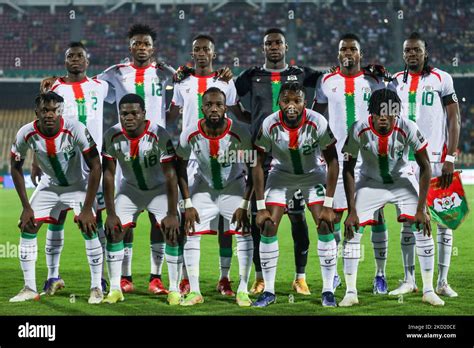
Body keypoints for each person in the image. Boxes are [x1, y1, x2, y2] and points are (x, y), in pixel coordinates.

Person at [235, 28, 324, 295]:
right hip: (260, 155)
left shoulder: (303, 74)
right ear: (263, 48)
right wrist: (250, 121)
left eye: (278, 43)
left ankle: (300, 276)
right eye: (269, 43)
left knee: (297, 218)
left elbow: (330, 85)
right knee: (258, 218)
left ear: (286, 47)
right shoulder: (251, 75)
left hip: (293, 157)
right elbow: (228, 99)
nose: (274, 47)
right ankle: (261, 278)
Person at [340, 88, 444, 306]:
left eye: (391, 112)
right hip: (369, 182)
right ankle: (350, 292)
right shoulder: (359, 128)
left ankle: (428, 289)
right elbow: (348, 169)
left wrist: (421, 208)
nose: (385, 117)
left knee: (422, 225)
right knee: (352, 229)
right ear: (372, 113)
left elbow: (425, 167)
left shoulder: (408, 127)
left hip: (401, 181)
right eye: (380, 113)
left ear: (397, 112)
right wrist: (351, 210)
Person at [97, 24, 176, 295]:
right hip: (126, 158)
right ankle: (124, 277)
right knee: (123, 222)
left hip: (155, 148)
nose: (141, 47)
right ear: (130, 47)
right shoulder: (116, 73)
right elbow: (88, 86)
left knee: (159, 221)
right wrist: (55, 81)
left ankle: (156, 277)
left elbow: (191, 84)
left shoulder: (165, 73)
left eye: (146, 44)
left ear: (152, 48)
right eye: (136, 43)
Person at [168, 34, 248, 297]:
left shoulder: (225, 81)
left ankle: (224, 278)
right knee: (188, 220)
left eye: (206, 50)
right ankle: (185, 278)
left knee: (226, 224)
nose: (201, 53)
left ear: (213, 53)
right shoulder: (183, 82)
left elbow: (237, 114)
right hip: (192, 157)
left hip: (223, 152)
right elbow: (171, 114)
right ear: (192, 54)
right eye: (197, 50)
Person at [10, 91, 103, 304]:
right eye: (45, 110)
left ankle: (96, 287)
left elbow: (95, 165)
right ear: (37, 112)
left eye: (54, 110)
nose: (50, 114)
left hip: (77, 185)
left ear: (61, 111)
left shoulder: (76, 128)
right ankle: (29, 288)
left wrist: (88, 208)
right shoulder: (25, 133)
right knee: (28, 226)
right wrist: (26, 206)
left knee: (89, 228)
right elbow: (15, 167)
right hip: (49, 187)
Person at [313, 33, 389, 294]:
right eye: (343, 49)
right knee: (333, 217)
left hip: (368, 160)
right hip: (335, 161)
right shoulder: (326, 81)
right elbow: (316, 116)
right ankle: (333, 274)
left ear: (360, 54)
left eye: (352, 49)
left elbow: (386, 117)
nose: (348, 53)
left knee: (376, 217)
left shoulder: (374, 82)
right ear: (338, 54)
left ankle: (380, 274)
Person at [252, 82, 339, 307]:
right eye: (286, 101)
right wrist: (260, 206)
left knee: (325, 222)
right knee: (268, 224)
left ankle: (328, 290)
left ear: (305, 103)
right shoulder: (269, 123)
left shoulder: (318, 122)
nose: (291, 106)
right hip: (281, 174)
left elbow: (333, 160)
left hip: (313, 173)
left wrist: (329, 204)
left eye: (297, 101)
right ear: (279, 102)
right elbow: (258, 163)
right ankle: (269, 291)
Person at [388, 32, 461, 298]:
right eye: (407, 50)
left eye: (416, 50)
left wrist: (450, 157)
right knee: (408, 221)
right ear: (403, 53)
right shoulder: (395, 82)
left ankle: (442, 281)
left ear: (425, 52)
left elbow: (454, 118)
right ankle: (409, 279)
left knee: (444, 221)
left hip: (437, 161)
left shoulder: (443, 78)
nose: (411, 55)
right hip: (406, 163)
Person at [35, 42, 110, 296]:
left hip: (91, 164)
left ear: (87, 61)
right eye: (70, 56)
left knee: (94, 220)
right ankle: (53, 276)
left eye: (80, 56)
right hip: (61, 163)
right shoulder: (53, 87)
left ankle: (99, 279)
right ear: (65, 61)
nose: (75, 59)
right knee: (57, 218)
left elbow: (126, 68)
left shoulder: (101, 86)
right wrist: (36, 160)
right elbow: (42, 123)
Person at [175, 87, 254, 306]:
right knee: (191, 232)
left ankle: (243, 289)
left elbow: (253, 167)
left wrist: (246, 203)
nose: (214, 109)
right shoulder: (190, 132)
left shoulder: (240, 132)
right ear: (202, 108)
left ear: (226, 107)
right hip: (204, 188)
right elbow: (179, 166)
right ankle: (195, 291)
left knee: (244, 234)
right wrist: (188, 202)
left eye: (219, 104)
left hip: (234, 187)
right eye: (209, 104)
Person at [101, 93, 180, 304]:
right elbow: (108, 174)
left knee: (172, 231)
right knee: (114, 230)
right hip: (130, 189)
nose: (129, 117)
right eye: (124, 113)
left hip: (159, 190)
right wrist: (110, 213)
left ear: (143, 114)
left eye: (134, 113)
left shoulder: (159, 134)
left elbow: (171, 175)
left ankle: (173, 289)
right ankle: (116, 288)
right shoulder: (111, 135)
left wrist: (172, 213)